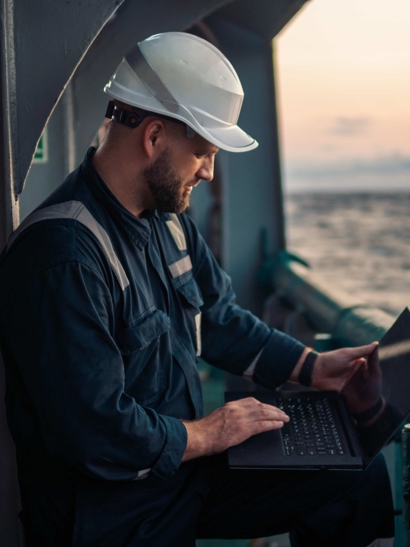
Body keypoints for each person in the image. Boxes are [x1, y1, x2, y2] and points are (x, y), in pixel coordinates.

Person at [0, 32, 394, 547]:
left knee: (355, 476)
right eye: (203, 153)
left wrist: (312, 367)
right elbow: (93, 432)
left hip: (180, 474)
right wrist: (209, 432)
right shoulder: (65, 255)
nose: (208, 172)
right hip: (110, 512)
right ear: (155, 136)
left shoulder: (166, 220)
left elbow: (219, 316)